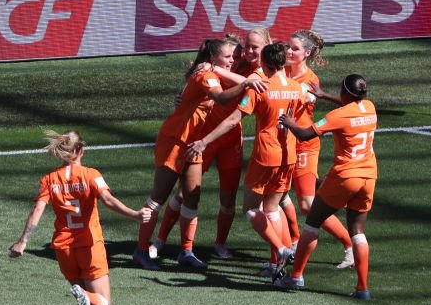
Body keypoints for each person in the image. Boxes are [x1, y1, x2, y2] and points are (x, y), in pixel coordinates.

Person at [10, 130, 151, 305]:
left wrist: (23, 241)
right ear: (81, 151)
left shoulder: (49, 179)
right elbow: (108, 201)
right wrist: (135, 215)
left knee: (86, 303)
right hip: (89, 245)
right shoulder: (91, 175)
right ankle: (86, 298)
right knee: (103, 304)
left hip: (63, 249)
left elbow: (36, 212)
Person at [133, 38, 265, 271]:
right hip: (175, 140)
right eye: (227, 57)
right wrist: (247, 85)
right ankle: (141, 250)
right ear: (213, 58)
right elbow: (221, 97)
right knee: (158, 198)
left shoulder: (211, 72)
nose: (232, 61)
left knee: (192, 197)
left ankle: (186, 251)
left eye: (233, 57)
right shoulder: (206, 76)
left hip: (192, 143)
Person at [188, 42, 305, 274]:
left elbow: (233, 120)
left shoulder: (260, 87)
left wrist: (204, 141)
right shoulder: (297, 88)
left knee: (251, 209)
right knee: (273, 209)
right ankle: (276, 263)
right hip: (288, 154)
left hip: (266, 155)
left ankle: (281, 249)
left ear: (264, 63)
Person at [276, 74, 377, 298]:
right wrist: (324, 96)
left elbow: (304, 134)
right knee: (358, 232)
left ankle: (295, 277)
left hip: (344, 177)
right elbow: (349, 106)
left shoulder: (337, 116)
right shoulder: (369, 107)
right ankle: (362, 288)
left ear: (344, 93)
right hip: (369, 178)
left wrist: (289, 122)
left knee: (312, 222)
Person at [284, 30, 354, 270]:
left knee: (306, 203)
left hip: (304, 146)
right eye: (286, 47)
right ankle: (293, 241)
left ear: (306, 53)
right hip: (283, 144)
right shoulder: (282, 72)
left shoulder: (310, 80)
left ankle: (349, 245)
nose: (288, 52)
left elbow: (294, 96)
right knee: (279, 196)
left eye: (293, 49)